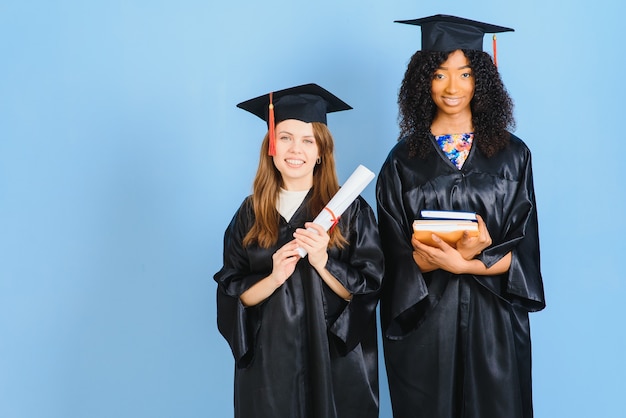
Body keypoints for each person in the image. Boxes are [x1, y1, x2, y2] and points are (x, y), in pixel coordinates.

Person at [376, 15, 546, 418]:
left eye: (465, 74)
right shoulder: (402, 161)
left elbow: (525, 252)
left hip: (496, 324)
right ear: (422, 82)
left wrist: (466, 264)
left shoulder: (513, 154)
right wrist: (432, 257)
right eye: (439, 74)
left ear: (482, 79)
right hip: (425, 324)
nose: (453, 87)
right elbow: (388, 258)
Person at [214, 83, 384, 418]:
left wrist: (323, 262)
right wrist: (274, 277)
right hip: (269, 367)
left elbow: (369, 289)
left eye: (308, 140)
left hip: (335, 365)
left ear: (321, 151)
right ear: (272, 147)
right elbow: (231, 294)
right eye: (286, 137)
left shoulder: (351, 210)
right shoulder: (249, 214)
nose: (297, 149)